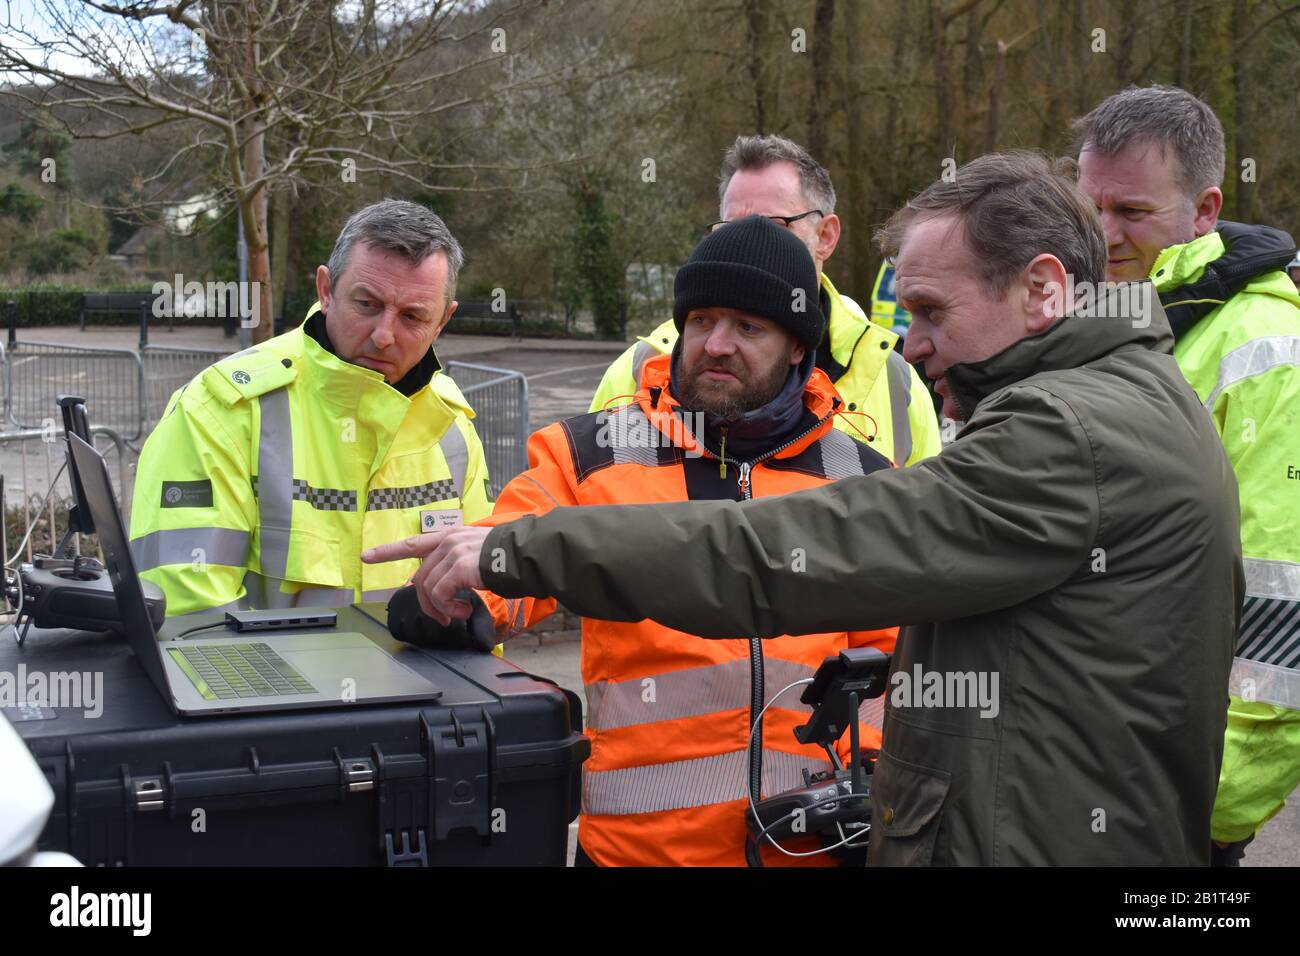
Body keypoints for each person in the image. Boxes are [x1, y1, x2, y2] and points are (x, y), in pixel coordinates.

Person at [370, 152, 1244, 866]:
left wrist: (518, 549)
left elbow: (783, 557)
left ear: (1045, 289)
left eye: (933, 308)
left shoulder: (1050, 435)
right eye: (698, 320)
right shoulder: (596, 449)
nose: (915, 341)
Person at [370, 216, 896, 866]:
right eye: (701, 320)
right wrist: (456, 600)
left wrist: (869, 776)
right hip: (636, 854)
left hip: (811, 852)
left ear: (798, 347)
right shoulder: (590, 455)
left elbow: (893, 660)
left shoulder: (864, 480)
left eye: (748, 327)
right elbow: (507, 550)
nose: (717, 344)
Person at [1074, 85, 1300, 866]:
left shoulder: (1267, 350)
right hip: (1077, 774)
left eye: (1132, 212)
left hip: (1167, 808)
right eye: (1090, 206)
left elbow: (1283, 601)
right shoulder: (1097, 320)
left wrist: (1209, 810)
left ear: (1204, 211)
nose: (1102, 234)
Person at [131, 199, 492, 614]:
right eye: (367, 304)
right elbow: (191, 616)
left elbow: (482, 596)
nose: (383, 336)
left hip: (436, 681)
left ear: (443, 321)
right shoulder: (221, 409)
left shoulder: (452, 426)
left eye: (412, 316)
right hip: (270, 681)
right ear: (325, 289)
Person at [590, 134, 941, 468]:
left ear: (826, 237)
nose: (748, 248)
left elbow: (926, 521)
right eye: (731, 229)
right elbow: (589, 497)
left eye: (773, 227)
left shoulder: (893, 378)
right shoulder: (643, 365)